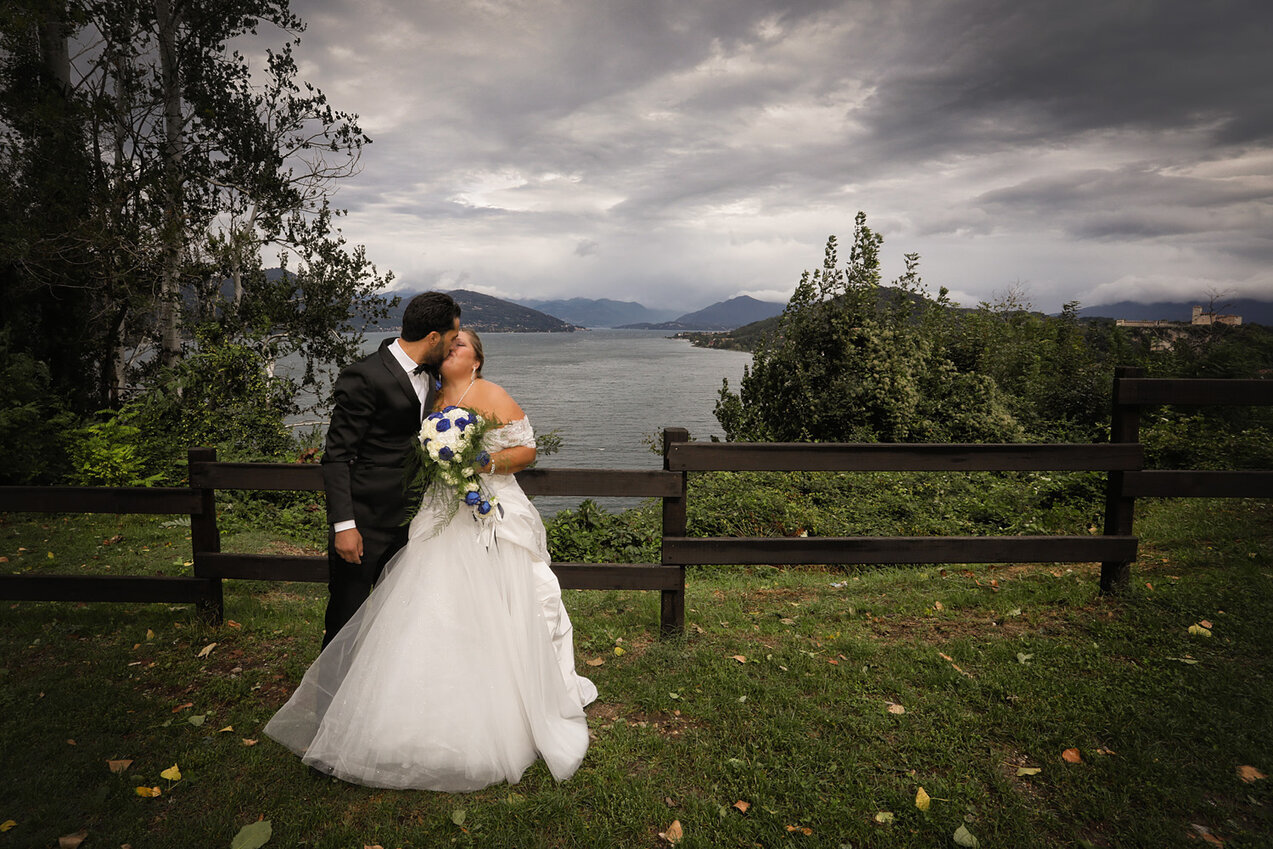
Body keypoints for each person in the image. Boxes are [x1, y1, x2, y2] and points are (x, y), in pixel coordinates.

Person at [266, 328, 597, 791]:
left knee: (505, 599)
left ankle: (510, 698)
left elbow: (526, 450)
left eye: (461, 345)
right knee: (427, 599)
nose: (451, 349)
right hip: (439, 511)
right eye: (449, 343)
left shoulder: (491, 393)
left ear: (477, 360)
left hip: (488, 509)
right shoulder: (430, 396)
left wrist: (481, 463)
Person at [319, 291, 461, 647]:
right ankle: (333, 684)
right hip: (365, 523)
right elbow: (337, 456)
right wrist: (344, 526)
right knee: (346, 619)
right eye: (452, 338)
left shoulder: (434, 375)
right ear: (433, 337)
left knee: (397, 620)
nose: (453, 346)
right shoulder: (364, 376)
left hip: (412, 523)